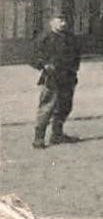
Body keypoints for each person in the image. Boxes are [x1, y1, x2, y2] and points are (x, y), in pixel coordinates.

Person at [30, 14, 80, 149]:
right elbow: (33, 57)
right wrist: (44, 65)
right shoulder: (44, 37)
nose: (63, 23)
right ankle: (39, 138)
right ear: (51, 23)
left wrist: (74, 70)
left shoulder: (70, 37)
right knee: (47, 107)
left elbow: (77, 55)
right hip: (51, 78)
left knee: (65, 106)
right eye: (59, 21)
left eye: (64, 20)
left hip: (68, 77)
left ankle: (57, 135)